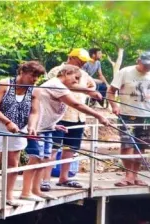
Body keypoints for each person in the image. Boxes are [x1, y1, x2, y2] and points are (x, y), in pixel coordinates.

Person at [20, 65, 110, 202]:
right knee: (35, 159)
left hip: (47, 128)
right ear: (66, 73)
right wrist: (99, 116)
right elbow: (76, 105)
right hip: (36, 129)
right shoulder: (56, 85)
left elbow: (45, 107)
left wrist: (54, 125)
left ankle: (36, 190)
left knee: (44, 159)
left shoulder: (61, 86)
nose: (77, 81)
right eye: (76, 77)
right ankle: (26, 192)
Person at [0, 61, 46, 207]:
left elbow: (34, 112)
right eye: (33, 75)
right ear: (22, 72)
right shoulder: (5, 84)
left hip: (19, 128)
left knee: (13, 162)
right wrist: (7, 122)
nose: (35, 79)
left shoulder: (35, 90)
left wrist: (31, 127)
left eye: (38, 77)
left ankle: (8, 196)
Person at [41, 48, 102, 192]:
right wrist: (87, 90)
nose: (82, 64)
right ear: (71, 57)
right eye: (80, 60)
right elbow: (69, 85)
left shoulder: (85, 73)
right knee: (53, 148)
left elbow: (92, 86)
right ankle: (45, 179)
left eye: (84, 62)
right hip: (60, 117)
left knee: (70, 148)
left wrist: (92, 91)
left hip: (78, 116)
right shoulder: (58, 71)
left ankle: (64, 177)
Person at [107, 51, 150, 187]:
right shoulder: (125, 72)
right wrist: (114, 106)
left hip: (147, 116)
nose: (148, 68)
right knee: (127, 145)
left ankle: (136, 175)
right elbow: (111, 91)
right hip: (128, 115)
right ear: (138, 61)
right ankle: (127, 176)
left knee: (142, 146)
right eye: (146, 65)